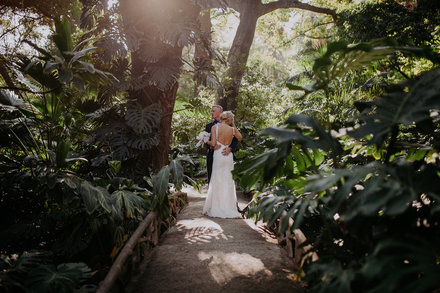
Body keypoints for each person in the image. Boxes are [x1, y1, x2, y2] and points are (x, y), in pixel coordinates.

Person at [203, 111, 242, 218]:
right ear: (230, 120)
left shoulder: (215, 128)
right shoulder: (232, 129)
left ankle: (217, 207)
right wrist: (233, 125)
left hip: (219, 155)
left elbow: (214, 144)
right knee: (228, 180)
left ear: (221, 117)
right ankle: (228, 207)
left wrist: (206, 140)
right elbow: (240, 137)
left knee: (217, 179)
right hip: (228, 156)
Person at [205, 105, 238, 184]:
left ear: (220, 112)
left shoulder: (230, 125)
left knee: (226, 177)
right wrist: (211, 146)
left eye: (213, 111)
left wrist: (230, 148)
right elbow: (207, 140)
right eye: (211, 111)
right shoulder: (209, 126)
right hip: (212, 155)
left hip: (226, 154)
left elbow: (236, 140)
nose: (211, 113)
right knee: (212, 178)